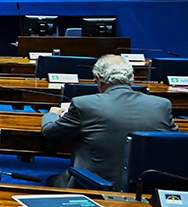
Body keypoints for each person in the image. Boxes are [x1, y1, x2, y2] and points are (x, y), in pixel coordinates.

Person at [41, 55, 177, 188]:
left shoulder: (83, 104)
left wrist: (51, 114)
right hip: (147, 187)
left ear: (99, 78)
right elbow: (172, 140)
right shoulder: (162, 105)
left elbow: (51, 131)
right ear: (132, 77)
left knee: (52, 180)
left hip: (94, 185)